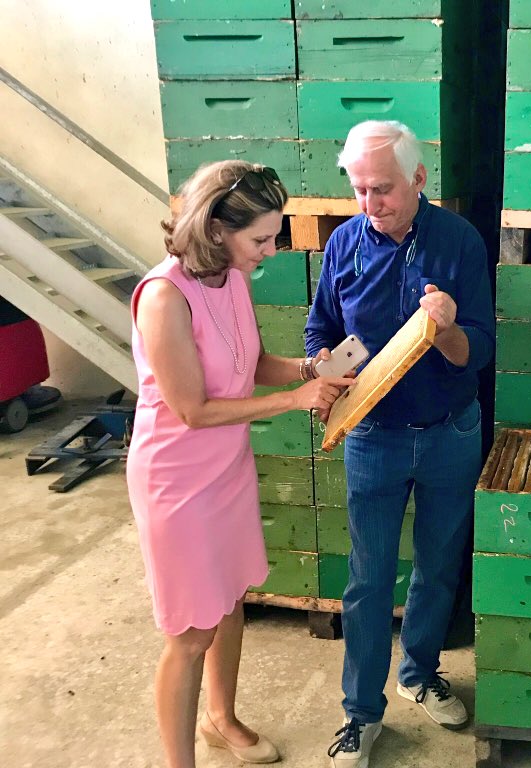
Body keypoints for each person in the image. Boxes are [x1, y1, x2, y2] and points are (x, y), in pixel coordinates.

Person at [127, 160, 351, 768]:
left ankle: (220, 719)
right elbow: (193, 409)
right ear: (215, 228)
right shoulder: (165, 296)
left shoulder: (229, 278)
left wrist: (310, 369)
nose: (271, 251)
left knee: (229, 604)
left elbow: (247, 364)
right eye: (261, 239)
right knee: (190, 634)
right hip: (176, 481)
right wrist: (296, 399)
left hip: (225, 470)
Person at [305, 120, 495, 766]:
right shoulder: (344, 244)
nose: (370, 203)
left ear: (418, 178)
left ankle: (419, 673)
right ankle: (361, 714)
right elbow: (320, 328)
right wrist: (324, 370)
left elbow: (478, 351)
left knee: (438, 565)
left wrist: (447, 329)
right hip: (372, 437)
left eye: (382, 189)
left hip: (451, 432)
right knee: (368, 578)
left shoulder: (460, 242)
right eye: (358, 189)